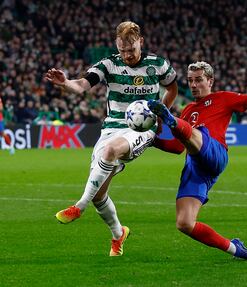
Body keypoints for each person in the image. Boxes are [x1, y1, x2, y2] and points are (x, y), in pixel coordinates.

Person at [147, 61, 247, 260]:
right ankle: (234, 248)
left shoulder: (223, 98)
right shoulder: (188, 110)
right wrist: (151, 140)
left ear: (210, 81)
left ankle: (170, 119)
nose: (193, 85)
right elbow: (177, 148)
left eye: (198, 80)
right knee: (184, 223)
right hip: (196, 169)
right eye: (190, 81)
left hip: (215, 153)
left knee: (199, 133)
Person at [45, 21, 178, 256]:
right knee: (99, 194)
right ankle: (118, 235)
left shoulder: (158, 65)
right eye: (122, 50)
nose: (126, 55)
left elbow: (172, 88)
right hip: (110, 129)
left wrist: (160, 115)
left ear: (141, 42)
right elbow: (82, 85)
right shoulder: (109, 64)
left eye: (131, 50)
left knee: (110, 152)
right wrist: (65, 83)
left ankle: (78, 207)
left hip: (140, 130)